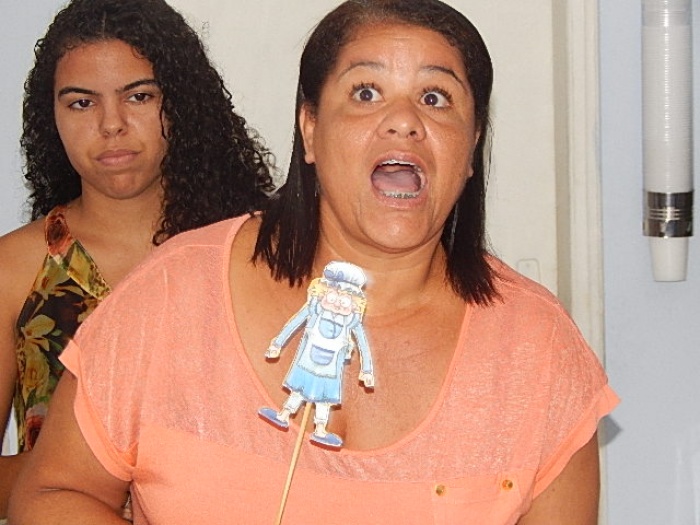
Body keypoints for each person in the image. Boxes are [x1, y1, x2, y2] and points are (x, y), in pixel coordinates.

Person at [8, 0, 619, 523]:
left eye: (435, 97)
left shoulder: (540, 350)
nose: (404, 121)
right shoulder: (170, 292)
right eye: (366, 92)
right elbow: (52, 494)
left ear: (472, 142)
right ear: (310, 128)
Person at [0, 0, 274, 518]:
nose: (112, 124)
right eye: (82, 103)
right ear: (50, 117)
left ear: (182, 104)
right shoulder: (14, 268)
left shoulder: (251, 254)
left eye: (139, 96)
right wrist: (79, 473)